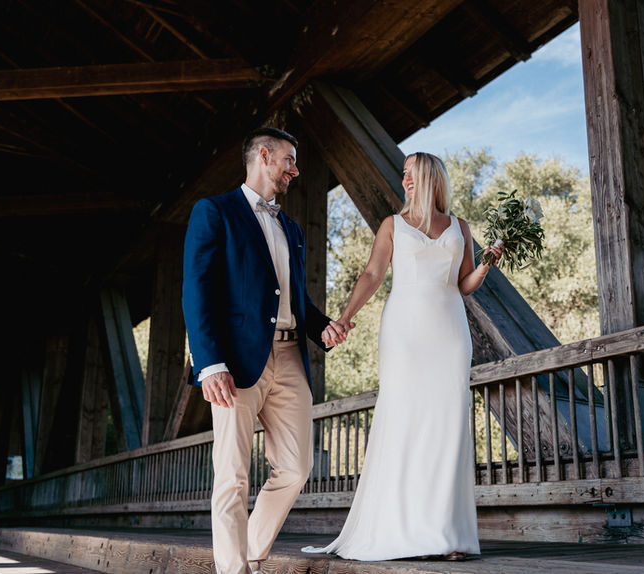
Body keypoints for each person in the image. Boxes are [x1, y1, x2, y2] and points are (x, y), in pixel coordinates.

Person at [303, 152, 503, 561]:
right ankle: (401, 529)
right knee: (405, 422)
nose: (405, 180)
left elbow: (464, 284)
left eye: (410, 173)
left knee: (447, 429)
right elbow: (373, 274)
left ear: (429, 176)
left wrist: (486, 265)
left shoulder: (459, 227)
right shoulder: (392, 225)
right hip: (405, 334)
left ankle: (445, 534)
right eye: (404, 174)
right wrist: (343, 318)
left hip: (450, 334)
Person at [182, 127, 351, 574]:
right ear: (263, 155)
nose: (295, 170)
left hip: (292, 355)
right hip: (233, 361)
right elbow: (196, 291)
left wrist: (323, 328)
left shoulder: (290, 227)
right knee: (232, 475)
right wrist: (208, 363)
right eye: (289, 160)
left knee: (295, 468)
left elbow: (298, 300)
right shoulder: (214, 212)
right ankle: (235, 570)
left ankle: (250, 555)